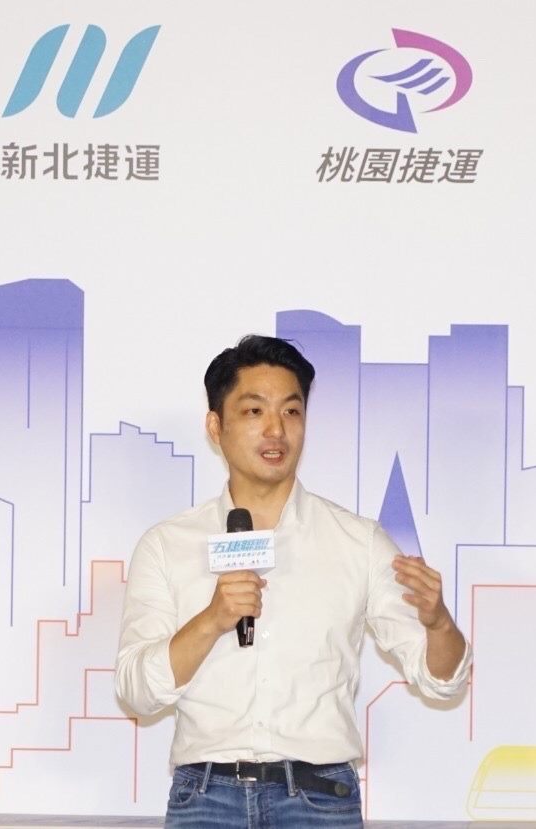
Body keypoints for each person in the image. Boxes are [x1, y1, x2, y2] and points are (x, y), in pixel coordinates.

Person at [116, 335, 470, 828]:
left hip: (318, 801)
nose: (276, 430)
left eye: (291, 411)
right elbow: (136, 690)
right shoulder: (167, 544)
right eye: (254, 411)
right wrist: (212, 620)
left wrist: (439, 625)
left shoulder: (358, 541)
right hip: (205, 800)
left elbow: (442, 682)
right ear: (215, 427)